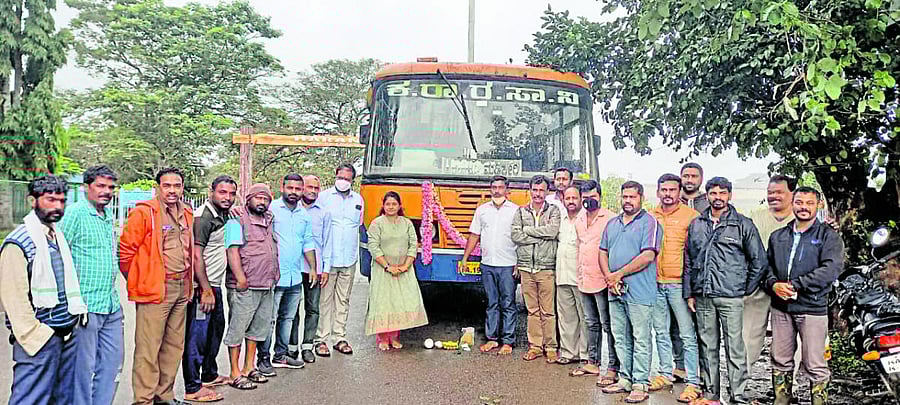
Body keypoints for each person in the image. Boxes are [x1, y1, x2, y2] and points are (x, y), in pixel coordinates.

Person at [1, 175, 87, 405]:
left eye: (61, 200)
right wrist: (36, 335)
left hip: (66, 334)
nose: (57, 207)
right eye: (50, 200)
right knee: (30, 398)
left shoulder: (57, 236)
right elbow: (14, 300)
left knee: (61, 398)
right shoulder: (18, 242)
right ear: (32, 200)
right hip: (39, 339)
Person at [684, 177, 767, 405]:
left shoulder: (743, 224)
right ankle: (711, 395)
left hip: (731, 297)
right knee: (707, 346)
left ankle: (737, 396)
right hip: (704, 297)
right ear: (707, 195)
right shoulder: (697, 224)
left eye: (722, 193)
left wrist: (744, 289)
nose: (717, 197)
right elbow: (689, 261)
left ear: (730, 195)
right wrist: (689, 292)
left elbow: (759, 262)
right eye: (713, 193)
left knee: (735, 349)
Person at [119, 168, 194, 405]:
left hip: (181, 287)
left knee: (173, 346)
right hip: (155, 289)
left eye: (177, 185)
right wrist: (142, 279)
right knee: (148, 350)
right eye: (167, 185)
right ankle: (143, 400)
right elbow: (125, 253)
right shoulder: (144, 213)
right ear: (157, 187)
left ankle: (164, 396)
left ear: (182, 188)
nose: (172, 190)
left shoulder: (187, 212)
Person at [765, 187, 843, 405]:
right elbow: (766, 267)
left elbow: (830, 269)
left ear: (818, 205)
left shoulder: (829, 236)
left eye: (809, 203)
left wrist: (796, 285)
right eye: (799, 202)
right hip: (781, 308)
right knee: (780, 359)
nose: (804, 207)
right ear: (793, 204)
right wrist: (773, 284)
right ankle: (782, 401)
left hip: (812, 308)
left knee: (815, 363)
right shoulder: (778, 236)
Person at [63, 166, 125, 405]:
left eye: (110, 187)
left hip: (110, 304)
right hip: (85, 307)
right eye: (100, 186)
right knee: (82, 370)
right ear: (85, 187)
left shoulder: (107, 215)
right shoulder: (74, 214)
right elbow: (58, 255)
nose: (106, 191)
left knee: (111, 365)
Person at [598, 181, 662, 404]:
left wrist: (618, 274)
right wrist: (609, 277)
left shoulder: (649, 222)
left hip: (640, 291)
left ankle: (640, 383)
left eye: (632, 197)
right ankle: (625, 378)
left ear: (641, 197)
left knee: (641, 338)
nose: (627, 201)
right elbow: (602, 252)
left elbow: (648, 256)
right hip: (615, 290)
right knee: (620, 336)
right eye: (624, 197)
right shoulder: (612, 223)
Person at [181, 175, 237, 402]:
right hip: (202, 288)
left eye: (232, 193)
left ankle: (209, 375)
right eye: (222, 192)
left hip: (215, 285)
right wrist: (204, 289)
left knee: (216, 330)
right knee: (197, 338)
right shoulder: (203, 218)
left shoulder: (221, 214)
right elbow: (196, 255)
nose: (228, 197)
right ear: (211, 191)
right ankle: (193, 388)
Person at [648, 174, 702, 402]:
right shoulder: (651, 215)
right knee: (660, 332)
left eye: (672, 190)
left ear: (679, 192)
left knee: (687, 334)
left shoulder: (692, 217)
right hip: (656, 282)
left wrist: (694, 289)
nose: (668, 194)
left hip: (679, 284)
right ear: (658, 192)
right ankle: (664, 373)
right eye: (664, 190)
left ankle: (693, 382)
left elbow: (698, 254)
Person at [257, 174, 317, 374]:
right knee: (269, 318)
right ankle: (263, 358)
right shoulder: (271, 209)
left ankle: (280, 355)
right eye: (290, 188)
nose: (294, 192)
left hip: (295, 276)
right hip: (273, 276)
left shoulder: (304, 215)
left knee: (288, 318)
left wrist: (313, 268)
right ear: (282, 188)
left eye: (298, 189)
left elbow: (308, 243)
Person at [223, 183, 279, 391]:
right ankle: (234, 372)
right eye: (258, 198)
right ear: (248, 200)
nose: (262, 202)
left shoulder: (269, 219)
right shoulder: (236, 219)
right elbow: (232, 251)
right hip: (244, 285)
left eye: (265, 199)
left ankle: (249, 367)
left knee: (257, 329)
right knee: (238, 328)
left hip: (266, 283)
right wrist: (240, 278)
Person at [462, 175, 519, 355]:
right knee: (492, 303)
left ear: (507, 190)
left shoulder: (516, 211)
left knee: (508, 303)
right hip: (488, 264)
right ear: (490, 189)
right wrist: (465, 258)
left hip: (508, 264)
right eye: (494, 187)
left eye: (500, 187)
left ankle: (508, 341)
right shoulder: (482, 210)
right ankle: (492, 339)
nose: (497, 190)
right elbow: (474, 235)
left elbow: (521, 239)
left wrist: (519, 263)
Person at [364, 192, 428, 350]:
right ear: (383, 206)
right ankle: (383, 339)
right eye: (388, 204)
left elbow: (414, 244)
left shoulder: (406, 223)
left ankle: (394, 337)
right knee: (384, 302)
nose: (391, 207)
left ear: (399, 206)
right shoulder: (377, 223)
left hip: (403, 269)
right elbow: (373, 246)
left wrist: (406, 265)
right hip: (383, 270)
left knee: (400, 302)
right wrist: (387, 266)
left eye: (394, 204)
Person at [745, 175, 796, 371]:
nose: (773, 196)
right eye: (770, 193)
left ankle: (789, 389)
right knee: (748, 336)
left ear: (792, 194)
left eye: (779, 192)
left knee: (790, 339)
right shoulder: (756, 218)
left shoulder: (801, 218)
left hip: (789, 287)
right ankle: (738, 386)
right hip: (758, 285)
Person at [571, 180, 619, 385]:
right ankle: (593, 362)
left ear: (600, 196)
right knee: (591, 323)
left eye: (592, 197)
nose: (588, 201)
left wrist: (614, 276)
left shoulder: (611, 219)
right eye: (585, 198)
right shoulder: (580, 219)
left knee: (609, 325)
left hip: (603, 279)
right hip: (584, 278)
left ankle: (614, 367)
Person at [512, 175, 561, 363]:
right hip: (526, 267)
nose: (538, 194)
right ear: (530, 190)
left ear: (547, 192)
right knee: (532, 310)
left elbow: (552, 231)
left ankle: (550, 347)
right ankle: (535, 346)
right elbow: (515, 236)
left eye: (542, 190)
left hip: (546, 267)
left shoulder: (554, 211)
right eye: (535, 190)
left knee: (548, 311)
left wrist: (528, 231)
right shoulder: (521, 211)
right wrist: (540, 236)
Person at [316, 163, 364, 356]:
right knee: (324, 300)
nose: (343, 181)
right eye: (341, 177)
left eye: (348, 179)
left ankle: (339, 337)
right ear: (335, 176)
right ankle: (321, 339)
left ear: (353, 180)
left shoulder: (358, 199)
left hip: (349, 258)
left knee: (343, 300)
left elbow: (358, 224)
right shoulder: (323, 198)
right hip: (328, 260)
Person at [288, 175, 332, 363]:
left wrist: (326, 268)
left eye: (316, 187)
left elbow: (327, 241)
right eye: (309, 187)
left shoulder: (324, 212)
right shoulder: (290, 209)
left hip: (315, 269)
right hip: (293, 269)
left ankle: (307, 346)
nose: (312, 191)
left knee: (313, 309)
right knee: (292, 310)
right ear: (301, 188)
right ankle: (291, 348)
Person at [672, 162, 708, 382]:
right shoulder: (673, 203)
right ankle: (680, 367)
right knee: (676, 326)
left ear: (700, 179)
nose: (689, 180)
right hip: (675, 274)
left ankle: (704, 372)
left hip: (702, 274)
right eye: (685, 175)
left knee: (702, 327)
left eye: (694, 176)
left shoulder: (708, 204)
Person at [555, 185, 588, 365]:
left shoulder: (586, 219)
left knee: (585, 317)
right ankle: (568, 353)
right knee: (567, 318)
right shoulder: (560, 219)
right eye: (568, 198)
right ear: (563, 200)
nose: (571, 201)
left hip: (581, 277)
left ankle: (585, 355)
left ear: (580, 198)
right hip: (562, 275)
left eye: (574, 198)